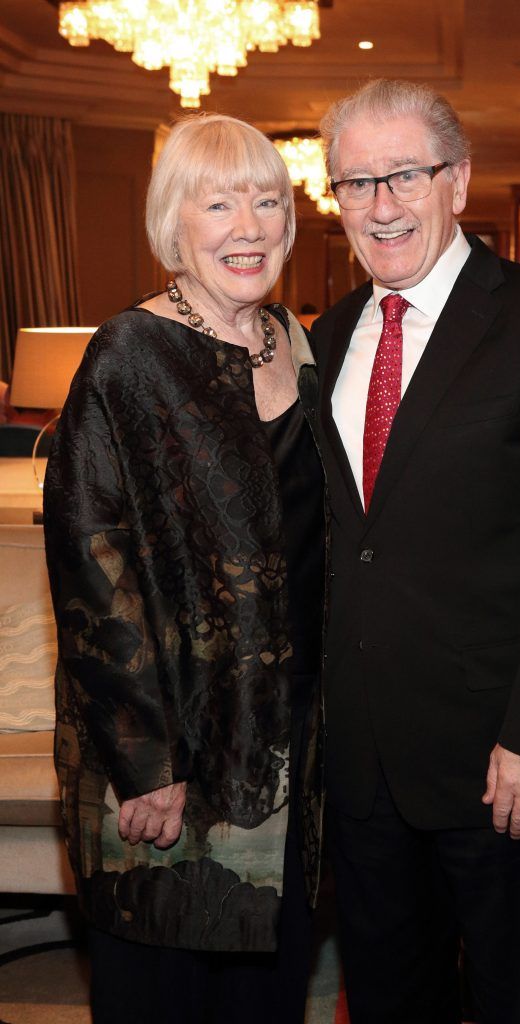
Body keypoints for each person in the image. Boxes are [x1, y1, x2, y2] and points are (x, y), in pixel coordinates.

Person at [311, 79, 520, 1024]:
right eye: (354, 183)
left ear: (457, 181)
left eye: (402, 175)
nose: (379, 206)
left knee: (516, 1003)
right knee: (388, 1001)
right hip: (362, 765)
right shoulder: (323, 338)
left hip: (502, 766)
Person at [43, 113, 324, 1024]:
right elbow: (91, 562)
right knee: (164, 991)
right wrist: (143, 761)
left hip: (296, 749)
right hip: (174, 758)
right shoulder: (130, 353)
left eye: (268, 200)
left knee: (267, 997)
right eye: (220, 202)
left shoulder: (300, 343)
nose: (250, 226)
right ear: (174, 222)